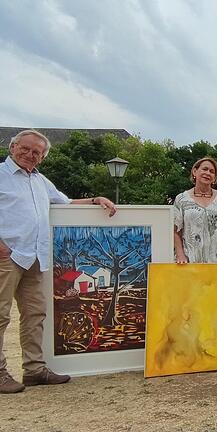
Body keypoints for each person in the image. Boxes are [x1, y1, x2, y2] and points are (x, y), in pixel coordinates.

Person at [0, 129, 117, 394]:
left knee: (35, 315)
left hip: (35, 257)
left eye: (37, 153)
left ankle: (34, 370)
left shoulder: (41, 181)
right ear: (13, 147)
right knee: (0, 315)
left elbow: (66, 202)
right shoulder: (1, 175)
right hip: (7, 257)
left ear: (42, 157)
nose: (30, 155)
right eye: (26, 149)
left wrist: (96, 199)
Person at [173, 157, 217, 265]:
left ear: (215, 178)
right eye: (204, 169)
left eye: (212, 171)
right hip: (190, 261)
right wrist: (180, 254)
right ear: (195, 172)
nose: (207, 173)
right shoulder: (181, 199)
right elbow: (176, 231)